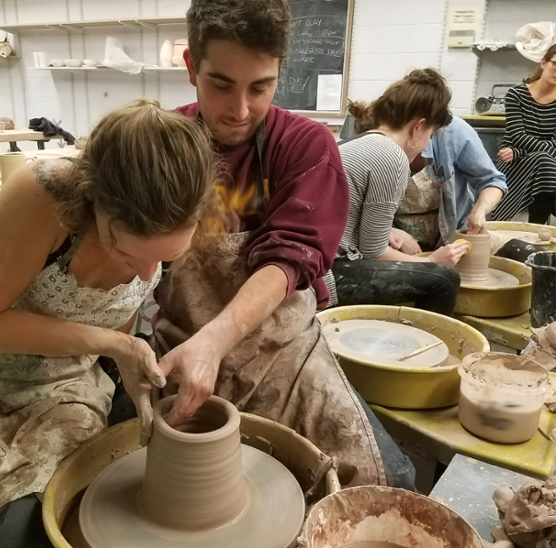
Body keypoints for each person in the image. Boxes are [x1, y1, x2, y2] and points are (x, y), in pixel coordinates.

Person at [152, 0, 415, 491]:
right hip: (181, 339)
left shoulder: (305, 145)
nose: (240, 110)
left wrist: (217, 340)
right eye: (221, 84)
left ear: (279, 73)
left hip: (284, 346)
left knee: (386, 479)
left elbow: (290, 255)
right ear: (191, 67)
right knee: (155, 468)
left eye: (261, 87)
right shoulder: (163, 143)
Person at [0, 100, 215, 548]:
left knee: (44, 519)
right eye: (125, 253)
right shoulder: (46, 196)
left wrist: (131, 364)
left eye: (161, 260)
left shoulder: (173, 215)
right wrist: (111, 345)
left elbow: (122, 315)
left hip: (63, 387)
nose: (144, 274)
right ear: (95, 202)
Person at [327, 69, 470, 316]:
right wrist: (431, 262)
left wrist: (390, 231)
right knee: (443, 279)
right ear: (418, 128)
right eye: (431, 136)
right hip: (324, 274)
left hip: (318, 260)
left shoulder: (360, 142)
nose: (426, 145)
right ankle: (418, 350)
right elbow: (374, 252)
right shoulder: (391, 155)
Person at [394, 116, 544, 263]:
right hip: (396, 242)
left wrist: (480, 210)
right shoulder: (381, 141)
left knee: (538, 259)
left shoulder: (451, 131)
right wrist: (388, 232)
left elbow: (492, 181)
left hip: (458, 236)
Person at [492, 44, 556, 224]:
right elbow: (517, 135)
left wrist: (520, 150)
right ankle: (538, 229)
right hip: (513, 162)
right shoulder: (516, 94)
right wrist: (519, 152)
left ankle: (538, 231)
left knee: (546, 162)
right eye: (555, 65)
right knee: (546, 162)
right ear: (543, 63)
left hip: (528, 156)